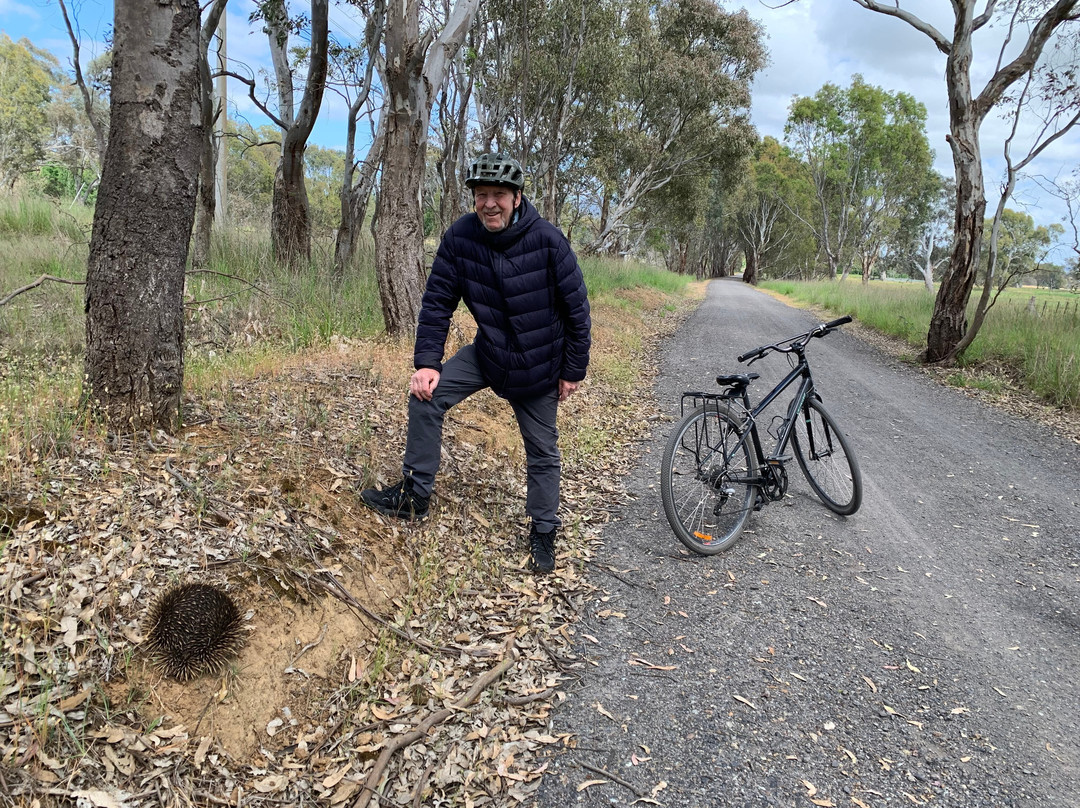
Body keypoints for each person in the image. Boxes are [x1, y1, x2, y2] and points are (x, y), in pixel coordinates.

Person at [360, 153, 592, 575]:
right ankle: (415, 497)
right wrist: (428, 363)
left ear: (517, 198)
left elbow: (577, 310)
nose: (489, 204)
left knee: (542, 451)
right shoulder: (459, 239)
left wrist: (572, 370)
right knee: (425, 397)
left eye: (498, 195)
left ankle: (543, 529)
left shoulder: (548, 241)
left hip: (540, 365)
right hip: (489, 354)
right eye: (481, 195)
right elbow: (436, 304)